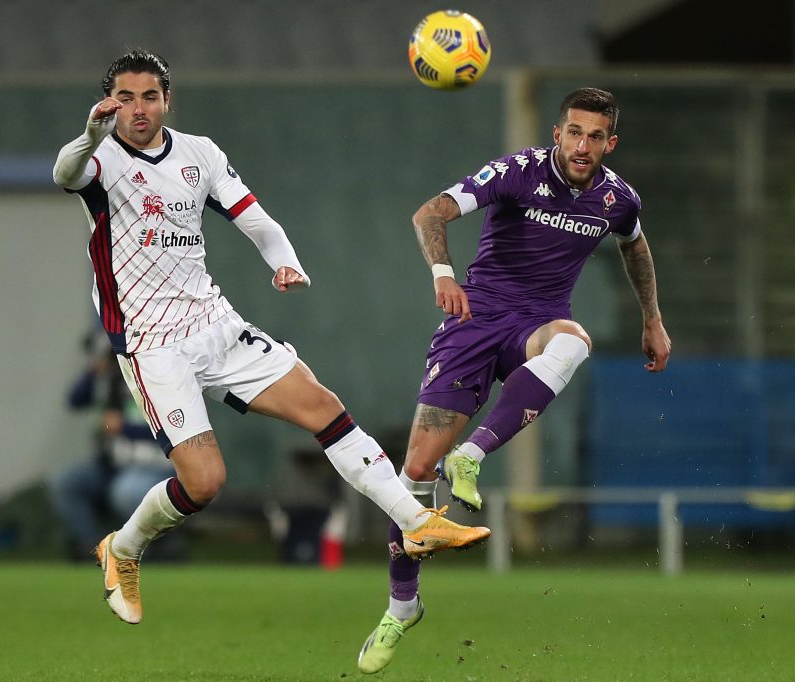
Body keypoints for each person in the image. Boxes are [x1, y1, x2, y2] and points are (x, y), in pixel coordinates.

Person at [52, 48, 490, 625]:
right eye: (126, 97)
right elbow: (64, 173)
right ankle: (124, 548)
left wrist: (284, 262)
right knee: (204, 483)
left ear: (167, 100)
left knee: (322, 405)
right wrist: (88, 132)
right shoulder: (99, 158)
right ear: (110, 103)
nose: (138, 108)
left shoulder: (199, 154)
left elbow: (255, 218)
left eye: (149, 96)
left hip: (213, 321)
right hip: (150, 341)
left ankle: (414, 522)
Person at [356, 87, 672, 674]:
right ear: (557, 133)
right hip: (475, 322)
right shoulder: (515, 173)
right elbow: (430, 212)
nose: (583, 146)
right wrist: (443, 274)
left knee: (574, 340)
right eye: (573, 132)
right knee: (417, 471)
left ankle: (472, 456)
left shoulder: (615, 198)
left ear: (611, 142)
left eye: (595, 136)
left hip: (536, 324)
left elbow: (636, 248)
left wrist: (652, 318)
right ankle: (403, 605)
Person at [48, 334, 177, 562]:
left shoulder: (156, 375)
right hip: (113, 466)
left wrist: (124, 427)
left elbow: (171, 428)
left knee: (125, 491)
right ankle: (97, 551)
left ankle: (148, 550)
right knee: (67, 483)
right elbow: (75, 399)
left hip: (154, 466)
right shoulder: (109, 381)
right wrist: (95, 368)